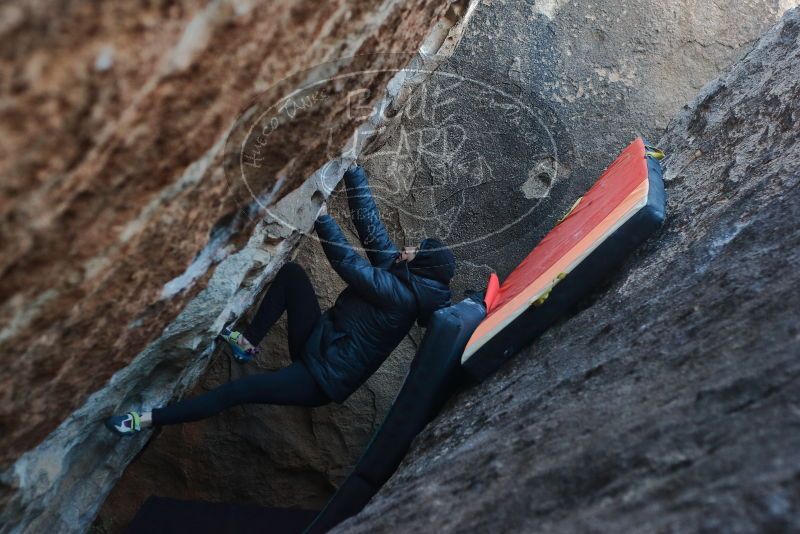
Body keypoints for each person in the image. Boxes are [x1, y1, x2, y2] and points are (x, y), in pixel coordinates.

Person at [106, 164, 456, 435]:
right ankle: (248, 342)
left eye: (415, 250)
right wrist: (353, 171)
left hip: (320, 377)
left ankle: (142, 421)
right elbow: (372, 229)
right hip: (319, 341)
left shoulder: (402, 298)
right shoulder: (402, 275)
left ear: (421, 264)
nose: (408, 248)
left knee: (236, 392)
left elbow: (348, 265)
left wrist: (321, 218)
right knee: (292, 275)